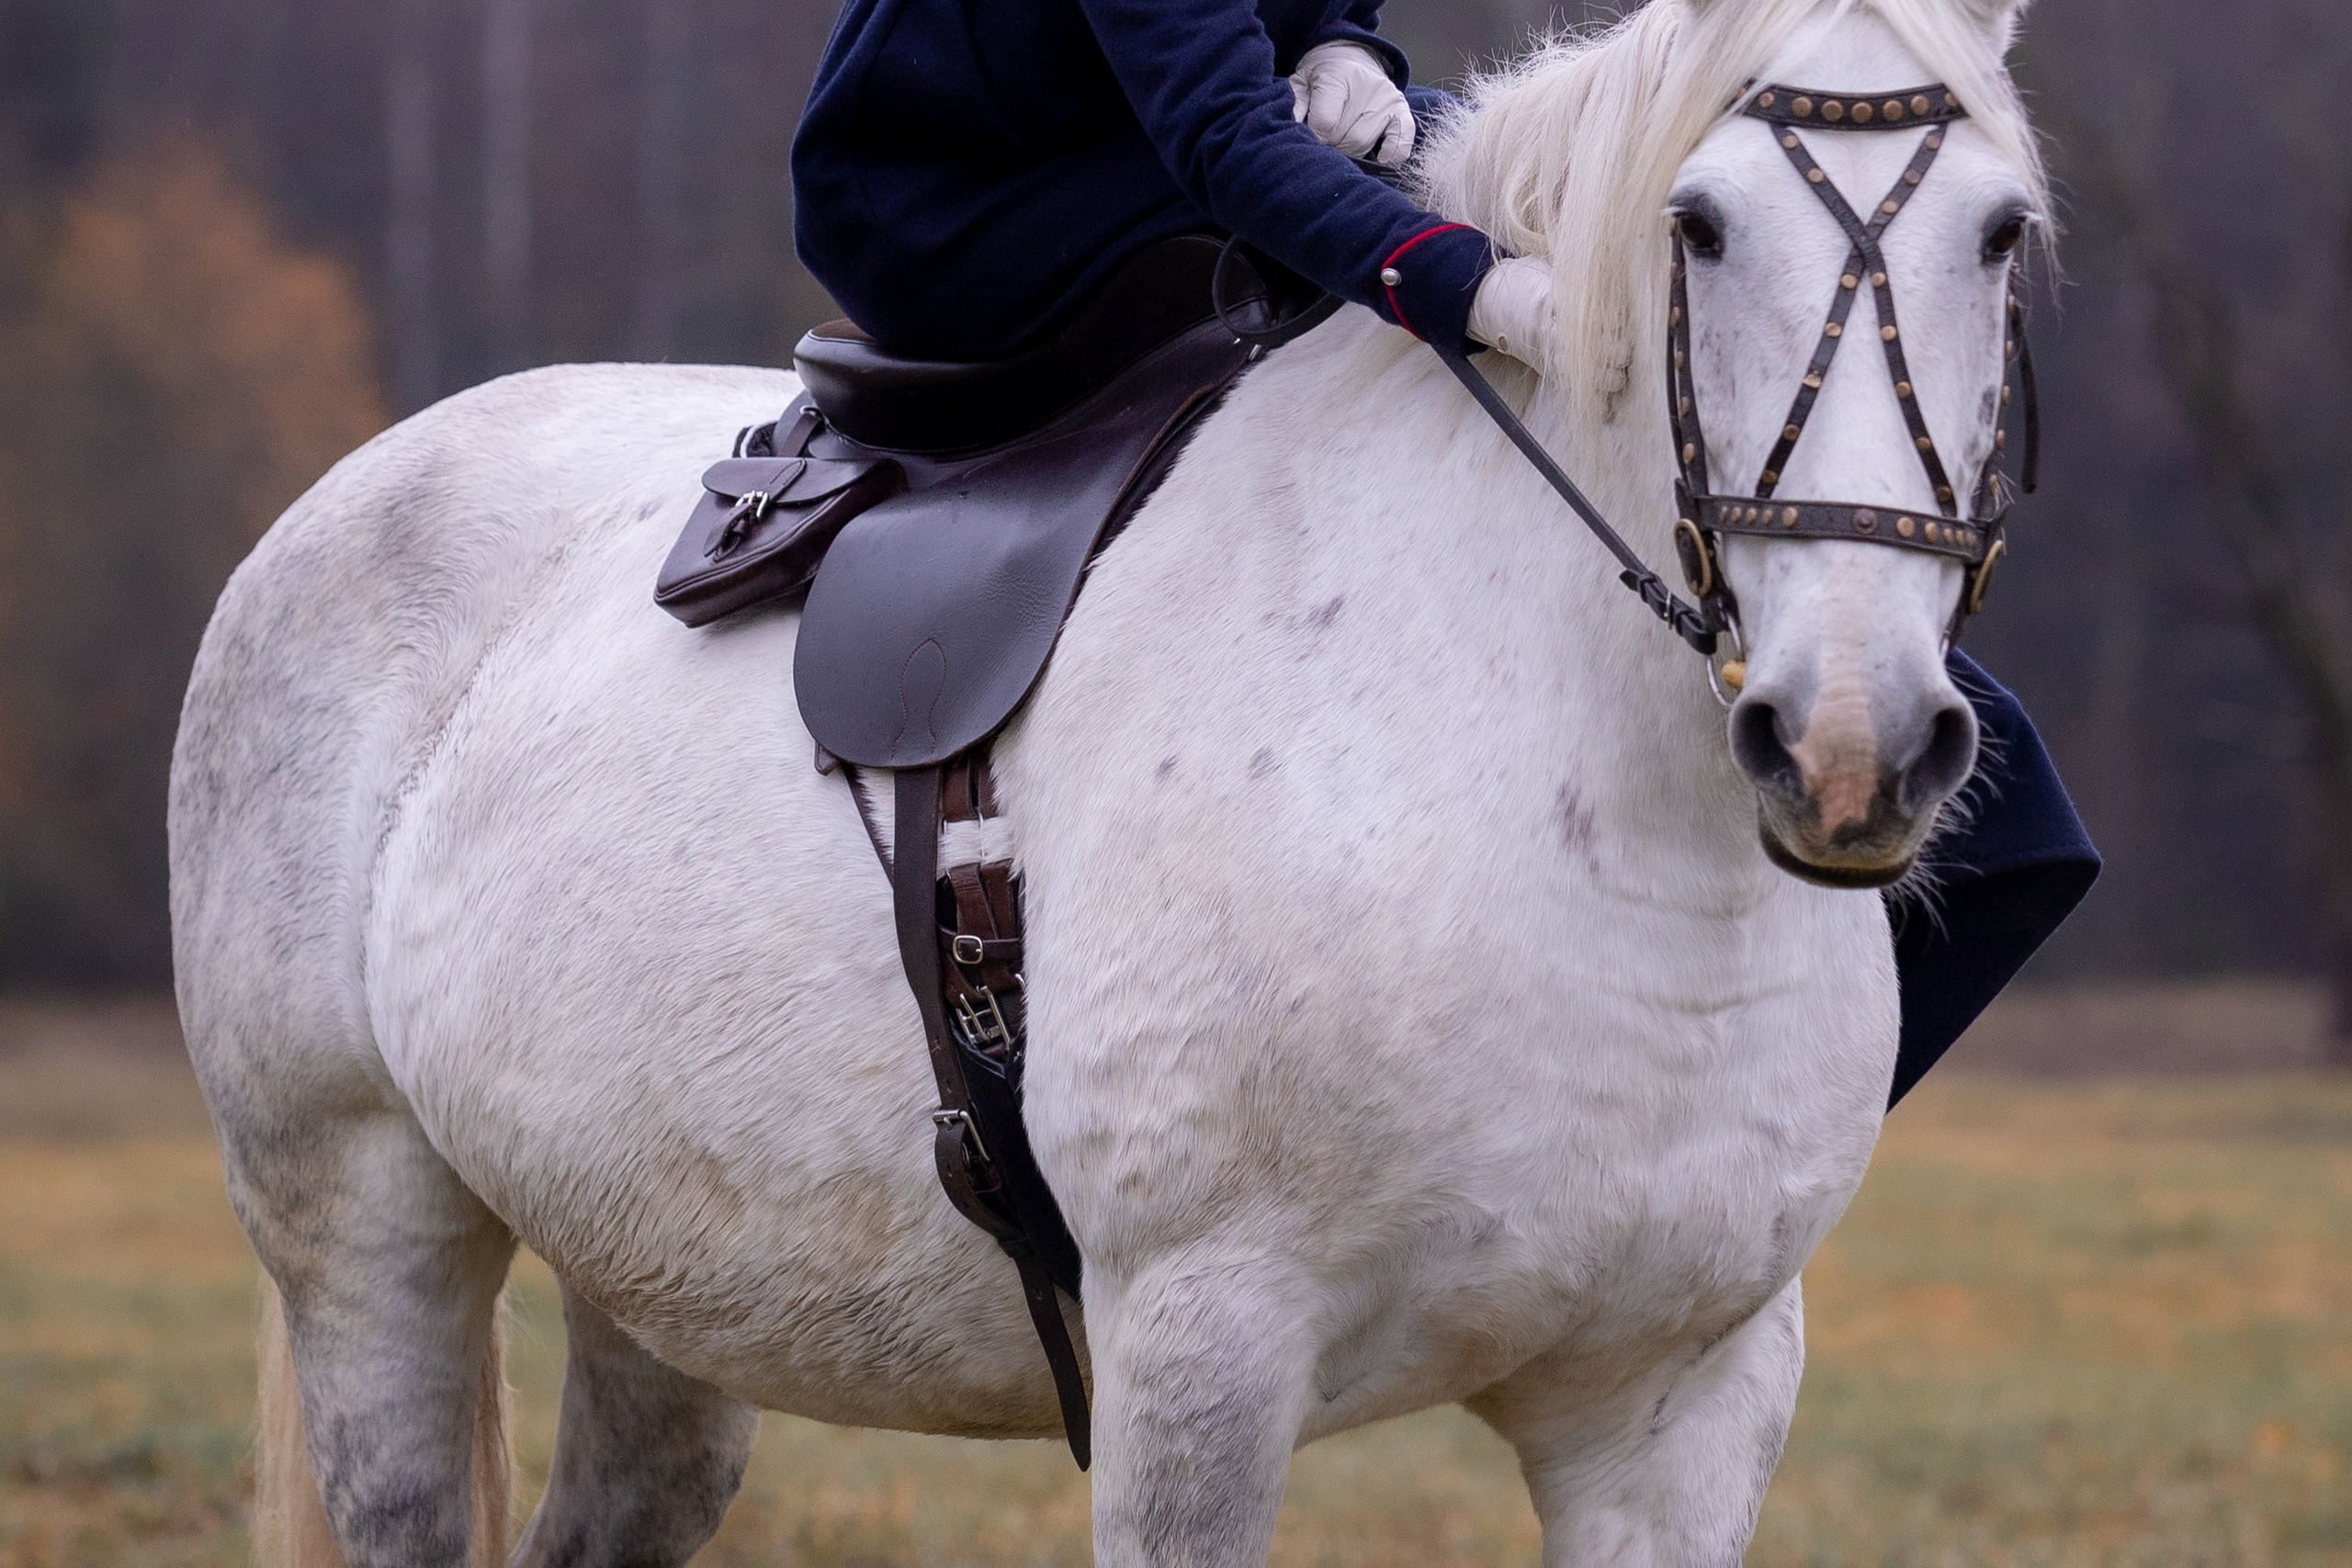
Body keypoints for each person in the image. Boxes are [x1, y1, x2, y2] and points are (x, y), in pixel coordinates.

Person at [789, 0, 2097, 1100]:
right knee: (1431, 278)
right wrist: (1471, 284)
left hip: (1165, 149)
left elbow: (1275, 41)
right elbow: (1220, 133)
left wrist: (1347, 51)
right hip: (963, 212)